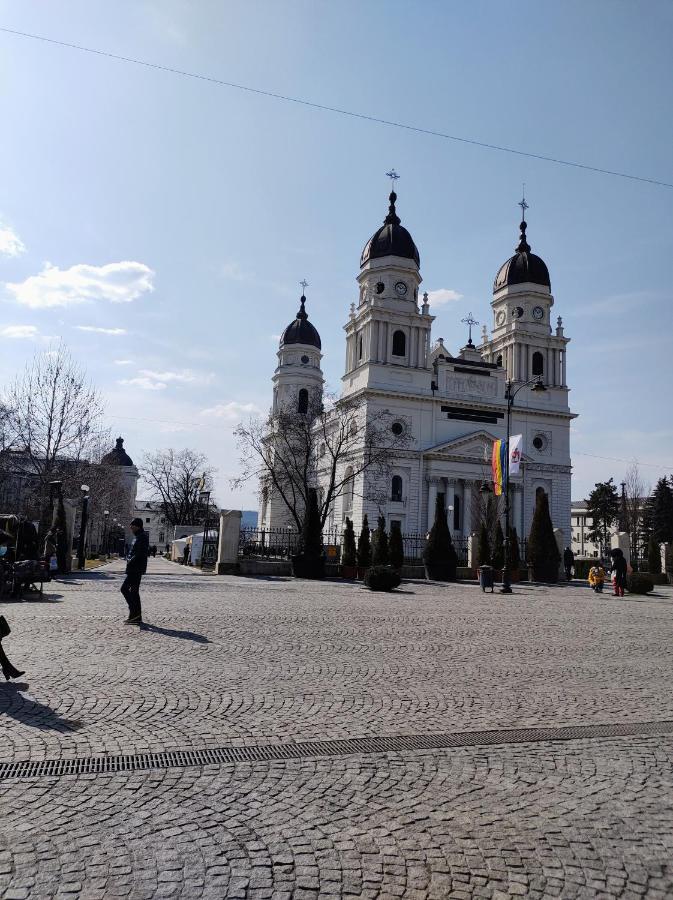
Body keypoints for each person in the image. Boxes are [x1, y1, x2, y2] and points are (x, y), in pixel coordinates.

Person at [120, 518, 150, 625]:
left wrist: (130, 560)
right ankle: (136, 616)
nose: (130, 527)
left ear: (138, 526)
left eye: (132, 525)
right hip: (133, 568)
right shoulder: (137, 537)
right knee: (134, 592)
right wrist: (128, 559)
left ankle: (134, 611)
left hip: (136, 569)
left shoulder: (142, 537)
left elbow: (140, 553)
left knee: (124, 589)